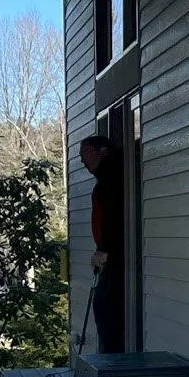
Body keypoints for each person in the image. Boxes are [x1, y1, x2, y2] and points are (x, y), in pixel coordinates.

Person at [79, 135, 126, 353]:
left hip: (115, 258)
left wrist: (103, 249)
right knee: (104, 308)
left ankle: (112, 365)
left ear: (102, 150)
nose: (81, 160)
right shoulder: (108, 175)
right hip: (113, 256)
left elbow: (113, 215)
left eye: (85, 153)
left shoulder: (112, 175)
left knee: (106, 310)